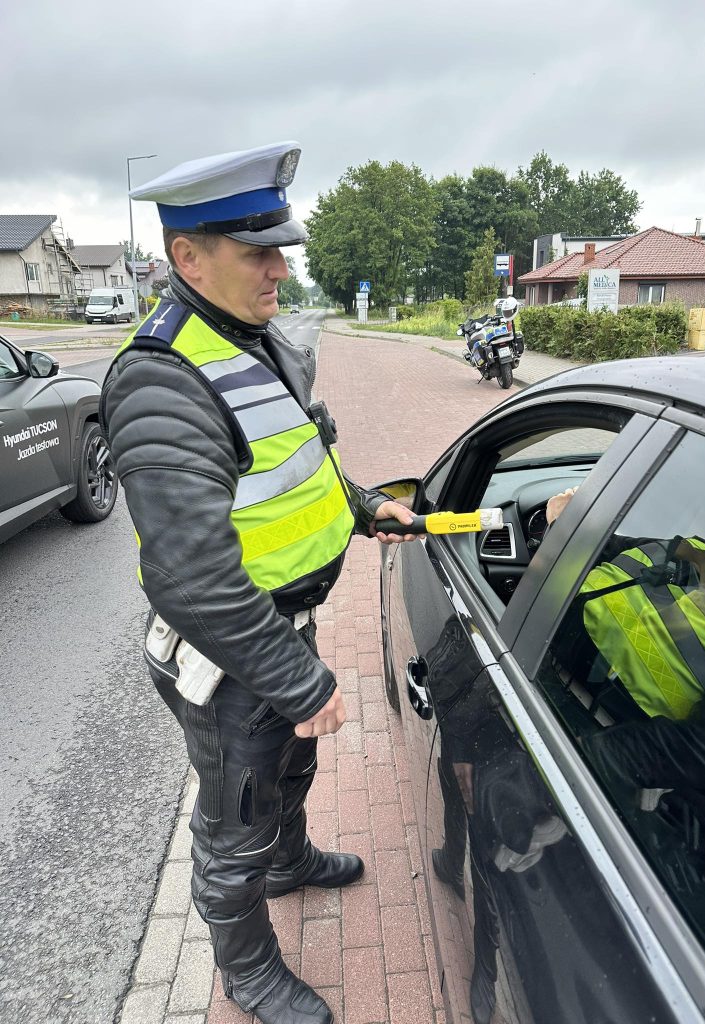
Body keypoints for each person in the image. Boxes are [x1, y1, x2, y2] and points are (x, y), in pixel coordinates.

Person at [100, 142, 416, 1024]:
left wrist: (361, 507)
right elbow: (189, 576)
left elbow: (295, 459)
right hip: (231, 650)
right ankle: (248, 971)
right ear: (186, 257)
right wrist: (293, 676)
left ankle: (292, 863)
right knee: (235, 812)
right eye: (259, 252)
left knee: (292, 763)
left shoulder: (254, 340)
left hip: (279, 627)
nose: (282, 268)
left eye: (282, 247)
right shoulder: (165, 378)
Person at [546, 490, 705, 790]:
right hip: (537, 655)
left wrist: (574, 761)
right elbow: (606, 547)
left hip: (583, 728)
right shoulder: (694, 550)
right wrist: (566, 522)